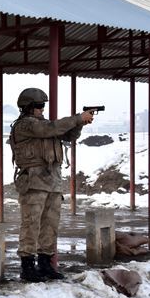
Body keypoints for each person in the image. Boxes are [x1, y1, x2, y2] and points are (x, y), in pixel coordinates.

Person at [9, 88, 93, 281]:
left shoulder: (45, 125)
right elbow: (50, 129)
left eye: (43, 105)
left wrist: (80, 123)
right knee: (31, 224)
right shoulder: (25, 125)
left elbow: (69, 136)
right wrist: (78, 118)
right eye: (39, 105)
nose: (42, 109)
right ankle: (27, 266)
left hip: (52, 181)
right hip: (33, 181)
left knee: (50, 224)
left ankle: (45, 263)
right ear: (28, 107)